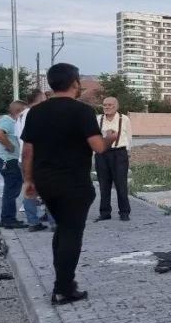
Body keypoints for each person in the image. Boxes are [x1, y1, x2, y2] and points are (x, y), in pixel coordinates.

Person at [21, 63, 117, 305]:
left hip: (46, 182)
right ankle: (64, 288)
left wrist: (29, 180)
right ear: (75, 83)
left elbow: (28, 150)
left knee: (62, 230)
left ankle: (62, 283)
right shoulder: (82, 111)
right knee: (72, 233)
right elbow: (97, 147)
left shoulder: (36, 112)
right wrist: (110, 138)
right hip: (73, 183)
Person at [16, 90, 55, 232]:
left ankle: (33, 222)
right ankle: (54, 222)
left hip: (23, 158)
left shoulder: (21, 115)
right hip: (39, 158)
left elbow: (18, 138)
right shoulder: (39, 114)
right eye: (44, 98)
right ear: (39, 99)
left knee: (29, 190)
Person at [94, 97, 133, 222]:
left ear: (116, 106)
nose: (107, 107)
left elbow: (129, 137)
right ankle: (105, 212)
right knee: (104, 184)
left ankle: (124, 212)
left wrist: (128, 153)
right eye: (105, 105)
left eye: (110, 105)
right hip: (102, 154)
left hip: (119, 153)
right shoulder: (98, 119)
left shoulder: (124, 119)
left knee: (121, 184)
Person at [0, 100, 28, 228]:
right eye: (24, 111)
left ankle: (8, 218)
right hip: (10, 162)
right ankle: (8, 220)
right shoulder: (7, 121)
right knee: (11, 191)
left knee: (12, 191)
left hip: (12, 161)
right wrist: (10, 146)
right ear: (17, 111)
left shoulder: (14, 122)